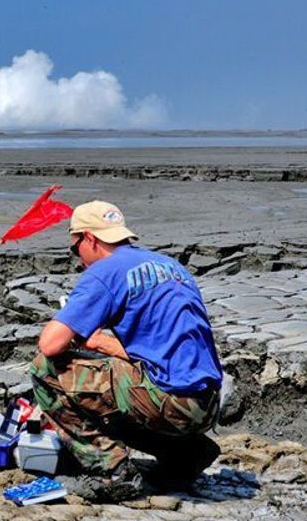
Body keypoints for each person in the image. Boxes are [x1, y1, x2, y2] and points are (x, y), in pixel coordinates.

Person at [30, 200, 223, 501]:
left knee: (45, 369)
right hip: (207, 404)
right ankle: (187, 454)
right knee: (113, 387)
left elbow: (50, 343)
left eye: (74, 247)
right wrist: (99, 342)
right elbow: (156, 348)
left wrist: (81, 336)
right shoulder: (170, 266)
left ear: (89, 238)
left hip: (170, 401)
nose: (78, 258)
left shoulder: (105, 272)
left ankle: (114, 473)